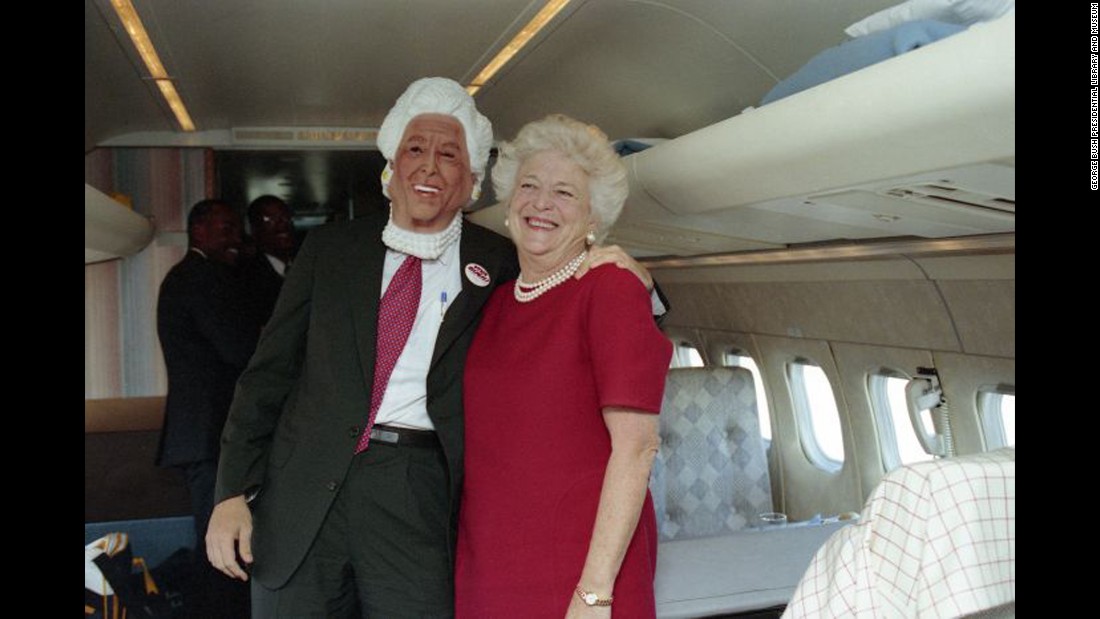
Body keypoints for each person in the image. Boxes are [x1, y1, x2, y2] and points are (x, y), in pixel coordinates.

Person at [205, 77, 660, 618]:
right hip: (305, 487)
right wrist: (232, 491)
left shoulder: (502, 261)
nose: (429, 167)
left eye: (449, 155)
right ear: (390, 167)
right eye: (414, 150)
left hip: (417, 493)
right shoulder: (329, 251)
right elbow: (267, 375)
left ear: (470, 180)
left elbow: (573, 286)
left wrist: (647, 284)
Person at [456, 115, 672, 617]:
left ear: (594, 217)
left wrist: (594, 592)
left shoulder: (611, 290)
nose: (541, 203)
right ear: (509, 204)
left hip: (579, 572)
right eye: (529, 186)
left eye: (565, 193)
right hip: (489, 566)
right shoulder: (495, 304)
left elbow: (637, 448)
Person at [155, 198, 254, 618]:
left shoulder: (191, 277)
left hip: (201, 432)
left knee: (215, 539)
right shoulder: (200, 279)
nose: (236, 239)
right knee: (220, 543)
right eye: (226, 228)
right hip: (207, 432)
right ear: (198, 231)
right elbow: (238, 347)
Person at [241, 195, 296, 329]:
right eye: (270, 219)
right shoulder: (247, 277)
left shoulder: (305, 266)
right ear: (253, 229)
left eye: (286, 217)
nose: (282, 224)